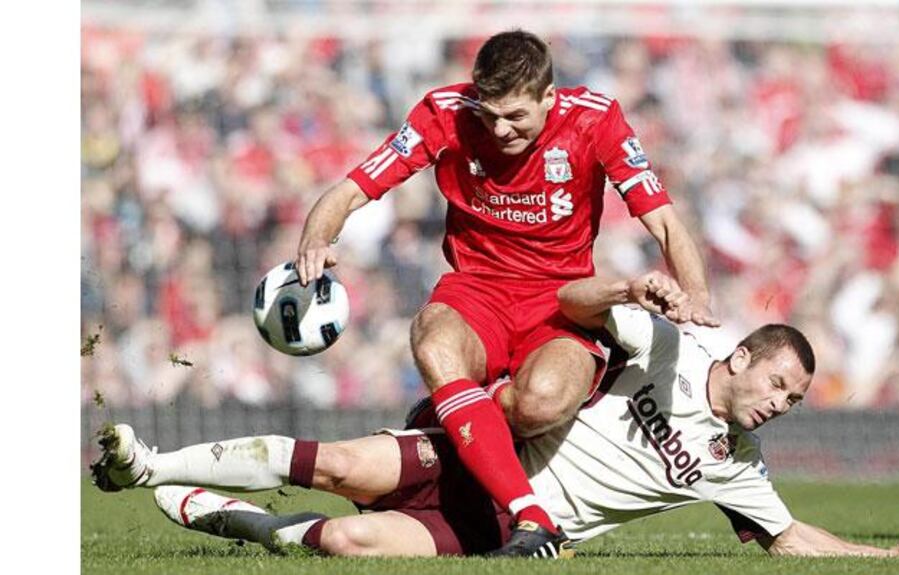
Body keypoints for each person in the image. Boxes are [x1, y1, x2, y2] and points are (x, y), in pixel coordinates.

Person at [92, 272, 899, 559]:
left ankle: (230, 520)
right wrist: (625, 286)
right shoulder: (672, 343)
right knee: (345, 465)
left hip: (506, 527)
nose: (782, 405)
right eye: (780, 384)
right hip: (482, 446)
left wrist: (891, 556)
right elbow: (573, 301)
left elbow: (789, 537)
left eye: (793, 401)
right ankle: (153, 465)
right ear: (745, 354)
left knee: (351, 543)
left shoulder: (739, 463)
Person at [293, 29, 717, 554]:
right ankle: (530, 515)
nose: (499, 129)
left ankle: (445, 418)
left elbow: (666, 223)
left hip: (561, 300)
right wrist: (317, 236)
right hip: (477, 291)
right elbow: (356, 186)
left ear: (548, 97)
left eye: (515, 116)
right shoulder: (444, 113)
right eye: (489, 113)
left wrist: (695, 293)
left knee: (539, 404)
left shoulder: (595, 119)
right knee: (433, 340)